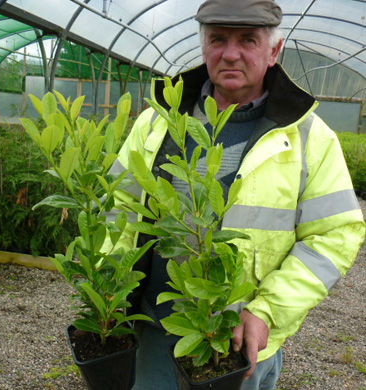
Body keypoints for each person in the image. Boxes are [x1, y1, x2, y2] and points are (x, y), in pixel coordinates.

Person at [109, 0, 366, 389]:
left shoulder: (309, 136)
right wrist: (110, 287)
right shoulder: (157, 122)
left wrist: (268, 312)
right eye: (218, 39)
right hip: (154, 330)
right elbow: (118, 207)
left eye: (248, 39)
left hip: (236, 342)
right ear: (203, 46)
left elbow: (335, 235)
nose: (231, 53)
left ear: (274, 51)